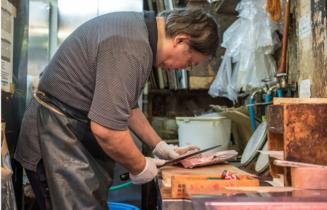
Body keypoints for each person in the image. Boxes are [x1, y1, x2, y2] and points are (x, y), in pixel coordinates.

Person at [14, 8, 219, 210]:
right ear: (180, 40)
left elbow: (127, 106)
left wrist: (159, 146)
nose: (185, 68)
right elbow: (106, 130)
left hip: (70, 134)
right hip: (55, 136)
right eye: (190, 62)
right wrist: (141, 166)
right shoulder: (132, 47)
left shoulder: (141, 34)